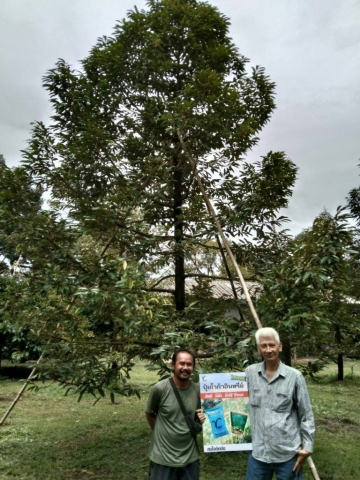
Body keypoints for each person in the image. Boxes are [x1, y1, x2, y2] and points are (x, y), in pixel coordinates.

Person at [245, 327, 315, 480]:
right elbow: (233, 400)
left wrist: (308, 446)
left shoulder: (295, 377)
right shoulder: (249, 373)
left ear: (280, 346)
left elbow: (306, 414)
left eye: (272, 345)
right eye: (264, 346)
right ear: (258, 348)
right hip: (259, 454)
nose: (268, 349)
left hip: (288, 454)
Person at [145, 348, 206, 480]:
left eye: (189, 364)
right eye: (182, 363)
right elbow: (150, 413)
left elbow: (198, 418)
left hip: (190, 458)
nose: (185, 367)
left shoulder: (197, 391)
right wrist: (160, 432)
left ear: (193, 367)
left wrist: (202, 418)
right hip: (162, 458)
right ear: (173, 365)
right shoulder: (160, 389)